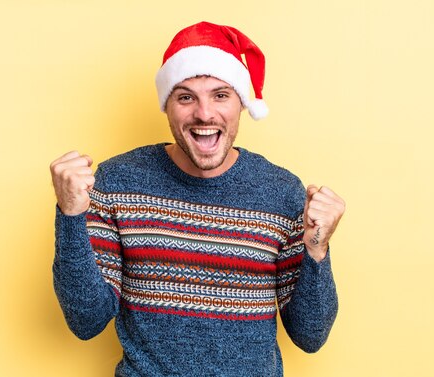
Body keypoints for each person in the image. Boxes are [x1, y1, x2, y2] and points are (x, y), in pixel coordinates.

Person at [50, 21, 345, 376]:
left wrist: (317, 248)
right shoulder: (117, 182)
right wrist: (70, 216)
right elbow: (86, 321)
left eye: (220, 95)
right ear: (167, 106)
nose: (204, 113)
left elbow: (310, 335)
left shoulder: (280, 192)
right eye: (186, 97)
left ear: (240, 104)